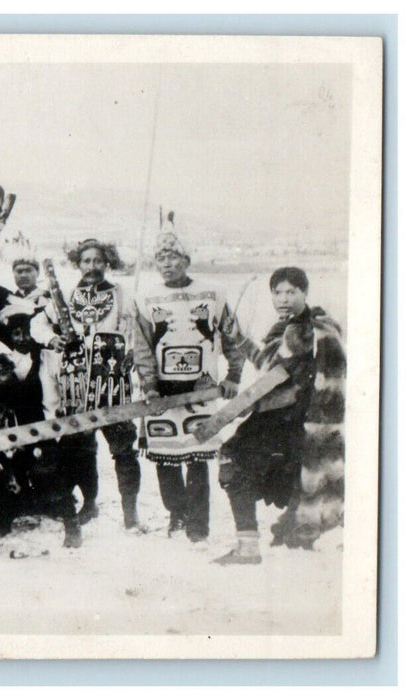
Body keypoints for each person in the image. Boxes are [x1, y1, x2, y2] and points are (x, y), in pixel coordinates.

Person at [215, 267, 346, 563]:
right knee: (292, 477)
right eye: (277, 292)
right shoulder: (304, 328)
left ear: (305, 293)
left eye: (291, 291)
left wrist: (250, 405)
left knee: (232, 461)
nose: (283, 298)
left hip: (290, 420)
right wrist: (240, 339)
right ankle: (297, 530)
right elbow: (272, 366)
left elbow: (279, 376)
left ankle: (248, 548)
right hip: (301, 422)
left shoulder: (301, 331)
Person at [132, 230, 245, 544]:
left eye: (173, 257)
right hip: (162, 391)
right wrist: (150, 386)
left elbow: (232, 337)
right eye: (161, 258)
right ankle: (177, 514)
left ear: (186, 260)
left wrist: (234, 373)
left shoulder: (213, 293)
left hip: (203, 388)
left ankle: (198, 525)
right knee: (167, 458)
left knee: (197, 457)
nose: (167, 264)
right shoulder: (144, 298)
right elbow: (141, 347)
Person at [30, 238, 145, 530]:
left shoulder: (121, 294)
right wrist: (52, 339)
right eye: (86, 261)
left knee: (122, 448)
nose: (92, 267)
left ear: (107, 263)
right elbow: (38, 324)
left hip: (112, 382)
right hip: (76, 383)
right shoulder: (66, 295)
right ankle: (88, 504)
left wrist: (131, 350)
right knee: (78, 449)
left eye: (98, 261)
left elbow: (136, 329)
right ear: (78, 264)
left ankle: (130, 513)